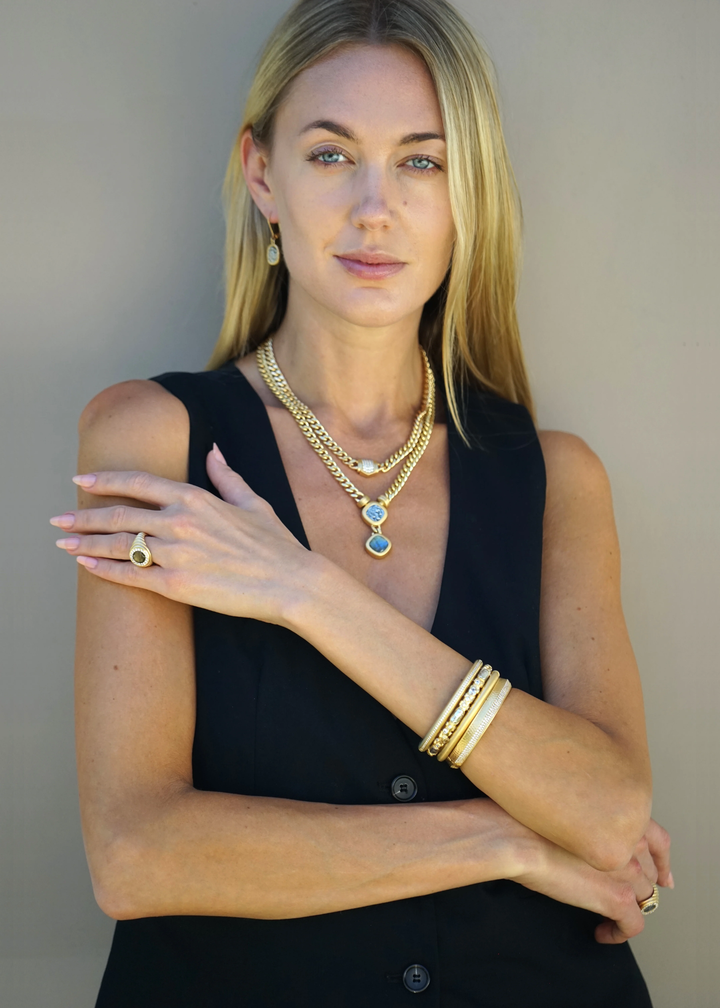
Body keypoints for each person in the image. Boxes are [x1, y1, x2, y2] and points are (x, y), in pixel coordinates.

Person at [50, 1, 672, 1004]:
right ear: (264, 176)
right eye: (333, 156)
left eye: (423, 162)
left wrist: (304, 593)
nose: (376, 208)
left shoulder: (558, 479)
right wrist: (509, 842)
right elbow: (138, 857)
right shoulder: (153, 438)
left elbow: (608, 811)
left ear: (469, 191)